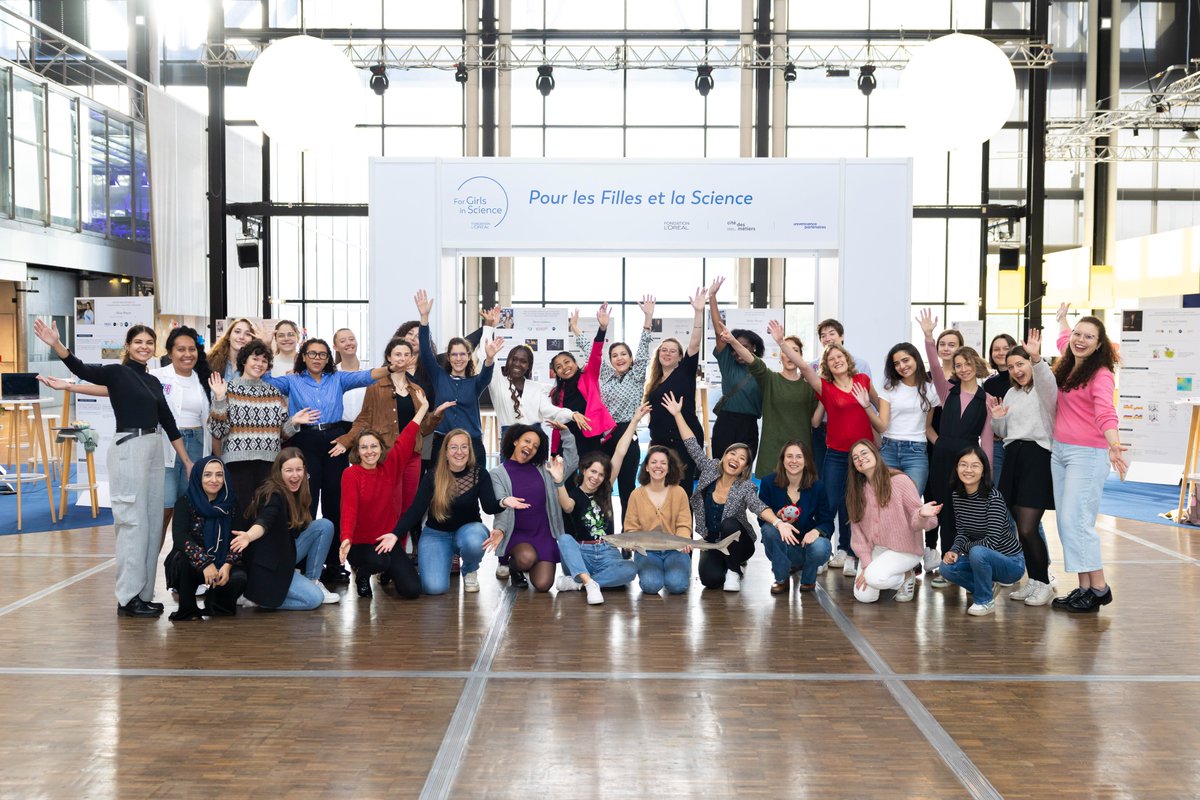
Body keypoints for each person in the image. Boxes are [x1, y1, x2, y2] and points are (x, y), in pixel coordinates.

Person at [33, 319, 193, 618]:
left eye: (148, 342)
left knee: (150, 523)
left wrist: (186, 460)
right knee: (132, 524)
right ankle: (128, 598)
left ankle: (143, 594)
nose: (143, 347)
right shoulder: (117, 373)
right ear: (128, 347)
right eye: (138, 342)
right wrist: (56, 344)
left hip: (153, 449)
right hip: (128, 447)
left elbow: (168, 423)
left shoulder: (153, 381)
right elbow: (81, 368)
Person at [39, 325, 213, 548]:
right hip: (147, 447)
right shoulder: (146, 375)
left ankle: (177, 573)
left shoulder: (187, 380)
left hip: (181, 446)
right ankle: (143, 564)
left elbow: (173, 421)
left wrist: (190, 461)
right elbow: (99, 379)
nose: (187, 354)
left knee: (185, 510)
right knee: (154, 512)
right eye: (181, 349)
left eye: (149, 343)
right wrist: (68, 379)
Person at [263, 337, 395, 584]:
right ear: (303, 356)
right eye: (312, 354)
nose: (317, 358)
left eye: (322, 354)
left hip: (335, 441)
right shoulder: (292, 380)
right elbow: (266, 381)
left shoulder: (338, 379)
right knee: (307, 500)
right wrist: (270, 352)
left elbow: (366, 376)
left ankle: (335, 563)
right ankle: (302, 563)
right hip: (306, 441)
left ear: (328, 358)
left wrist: (391, 368)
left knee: (336, 500)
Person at [663, 391, 800, 592]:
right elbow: (692, 444)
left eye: (742, 458)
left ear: (745, 467)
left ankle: (734, 569)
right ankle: (725, 567)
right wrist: (677, 414)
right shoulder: (710, 469)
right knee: (711, 580)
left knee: (729, 524)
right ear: (725, 457)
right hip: (712, 542)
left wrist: (779, 523)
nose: (735, 459)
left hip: (739, 543)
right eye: (732, 453)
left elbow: (759, 506)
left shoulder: (746, 486)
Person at [773, 322, 877, 577]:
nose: (836, 361)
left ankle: (854, 552)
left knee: (860, 503)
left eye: (840, 357)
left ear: (847, 357)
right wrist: (780, 343)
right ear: (827, 366)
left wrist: (881, 437)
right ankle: (824, 550)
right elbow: (805, 367)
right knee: (830, 503)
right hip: (838, 455)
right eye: (831, 360)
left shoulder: (863, 380)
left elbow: (880, 406)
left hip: (864, 456)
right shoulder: (826, 388)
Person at [1049, 303, 1128, 613]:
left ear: (1099, 345)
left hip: (1088, 453)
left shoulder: (1101, 374)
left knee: (1076, 521)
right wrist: (1063, 320)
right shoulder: (1069, 362)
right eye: (1078, 335)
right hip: (1061, 451)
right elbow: (1063, 337)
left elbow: (1105, 411)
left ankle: (1099, 587)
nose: (1080, 340)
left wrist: (1115, 444)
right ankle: (1085, 587)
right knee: (1068, 523)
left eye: (1088, 337)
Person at [391, 428, 525, 595]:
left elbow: (489, 507)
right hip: (436, 534)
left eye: (464, 447)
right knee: (434, 589)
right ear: (446, 452)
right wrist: (395, 534)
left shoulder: (479, 474)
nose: (459, 452)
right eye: (453, 447)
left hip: (469, 532)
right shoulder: (433, 476)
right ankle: (441, 560)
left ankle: (469, 570)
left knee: (475, 540)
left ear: (470, 450)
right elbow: (416, 510)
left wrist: (504, 501)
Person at [918, 309, 994, 586]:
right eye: (958, 364)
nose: (962, 368)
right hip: (942, 457)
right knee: (943, 509)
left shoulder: (987, 399)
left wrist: (988, 475)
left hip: (968, 460)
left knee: (964, 512)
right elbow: (936, 366)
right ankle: (947, 566)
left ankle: (962, 563)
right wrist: (928, 336)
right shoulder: (945, 390)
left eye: (966, 363)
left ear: (975, 364)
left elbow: (986, 440)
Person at [207, 339, 315, 527]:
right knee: (239, 517)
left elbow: (281, 434)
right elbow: (218, 430)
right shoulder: (227, 389)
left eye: (264, 361)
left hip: (269, 465)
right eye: (255, 359)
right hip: (236, 465)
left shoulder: (274, 393)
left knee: (265, 516)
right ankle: (237, 556)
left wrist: (294, 423)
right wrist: (219, 399)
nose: (259, 364)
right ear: (244, 361)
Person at [335, 337, 444, 524]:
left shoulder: (417, 390)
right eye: (397, 354)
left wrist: (435, 415)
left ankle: (399, 550)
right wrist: (346, 440)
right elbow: (364, 420)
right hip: (387, 455)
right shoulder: (375, 387)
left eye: (406, 355)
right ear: (389, 357)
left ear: (411, 358)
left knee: (408, 508)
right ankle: (385, 550)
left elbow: (422, 429)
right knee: (387, 506)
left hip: (412, 456)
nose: (402, 359)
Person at [987, 329, 1058, 607]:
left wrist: (1038, 357)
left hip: (1037, 457)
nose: (1016, 370)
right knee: (1020, 526)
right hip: (1013, 456)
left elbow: (1047, 382)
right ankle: (1035, 581)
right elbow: (1003, 432)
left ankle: (1044, 583)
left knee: (1028, 528)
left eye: (1021, 363)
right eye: (1011, 366)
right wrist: (997, 419)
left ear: (1031, 364)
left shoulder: (1043, 389)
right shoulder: (1011, 394)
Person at [550, 407, 648, 605]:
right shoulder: (574, 494)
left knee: (631, 569)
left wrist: (635, 420)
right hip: (581, 553)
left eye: (601, 474)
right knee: (565, 539)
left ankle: (583, 583)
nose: (596, 478)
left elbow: (620, 451)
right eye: (593, 472)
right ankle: (590, 581)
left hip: (606, 552)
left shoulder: (605, 489)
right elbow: (567, 507)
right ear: (584, 470)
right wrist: (559, 482)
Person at [337, 404, 428, 600]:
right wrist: (346, 538)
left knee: (412, 590)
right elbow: (349, 509)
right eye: (364, 447)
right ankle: (362, 575)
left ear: (381, 448)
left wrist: (423, 409)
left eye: (373, 446)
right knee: (379, 561)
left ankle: (388, 569)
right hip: (360, 545)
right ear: (357, 451)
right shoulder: (351, 474)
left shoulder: (389, 467)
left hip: (385, 541)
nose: (369, 451)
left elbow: (406, 437)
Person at [580, 294, 656, 528]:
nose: (619, 358)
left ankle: (627, 536)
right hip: (604, 435)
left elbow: (644, 349)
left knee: (626, 489)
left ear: (631, 359)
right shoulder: (604, 375)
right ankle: (605, 534)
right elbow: (591, 351)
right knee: (603, 488)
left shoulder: (636, 376)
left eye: (624, 354)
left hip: (628, 432)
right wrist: (581, 330)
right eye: (615, 355)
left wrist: (648, 318)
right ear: (610, 360)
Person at [230, 448, 340, 609]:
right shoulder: (273, 494)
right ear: (279, 472)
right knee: (314, 599)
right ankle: (257, 598)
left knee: (324, 526)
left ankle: (313, 580)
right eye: (289, 470)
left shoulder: (298, 493)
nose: (295, 475)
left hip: (283, 555)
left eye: (298, 470)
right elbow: (264, 521)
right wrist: (248, 536)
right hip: (267, 565)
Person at [414, 289, 504, 467]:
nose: (458, 358)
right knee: (441, 489)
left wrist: (489, 358)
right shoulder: (439, 376)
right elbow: (425, 352)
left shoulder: (475, 382)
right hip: (442, 443)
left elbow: (486, 375)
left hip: (472, 443)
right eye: (454, 354)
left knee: (474, 486)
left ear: (469, 356)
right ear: (448, 357)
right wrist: (424, 318)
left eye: (463, 354)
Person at [845, 439, 941, 603]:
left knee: (873, 577)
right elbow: (858, 534)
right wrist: (867, 564)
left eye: (864, 453)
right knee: (863, 596)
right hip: (876, 549)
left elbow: (921, 520)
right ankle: (896, 578)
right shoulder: (856, 492)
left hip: (904, 549)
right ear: (854, 465)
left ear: (876, 454)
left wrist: (922, 514)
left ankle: (906, 575)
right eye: (855, 458)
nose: (860, 459)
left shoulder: (900, 481)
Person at [719, 328, 819, 479]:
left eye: (795, 351)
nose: (790, 356)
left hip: (800, 453)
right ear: (780, 356)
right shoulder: (770, 379)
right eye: (786, 351)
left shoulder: (810, 386)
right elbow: (752, 360)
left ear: (801, 356)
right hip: (772, 451)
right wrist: (732, 341)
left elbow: (815, 422)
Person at [490, 423, 578, 592]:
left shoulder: (545, 469)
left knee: (543, 585)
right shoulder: (498, 473)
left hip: (543, 533)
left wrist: (566, 433)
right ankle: (515, 567)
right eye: (527, 441)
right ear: (515, 441)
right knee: (526, 558)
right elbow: (501, 504)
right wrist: (500, 529)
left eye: (535, 446)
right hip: (517, 534)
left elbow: (572, 462)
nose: (530, 447)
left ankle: (531, 564)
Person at [939, 445, 1025, 616]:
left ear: (984, 470)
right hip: (980, 556)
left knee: (978, 551)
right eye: (963, 464)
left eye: (975, 465)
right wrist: (954, 550)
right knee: (946, 567)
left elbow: (991, 542)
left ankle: (985, 600)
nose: (968, 470)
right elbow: (962, 531)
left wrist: (963, 549)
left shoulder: (994, 498)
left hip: (1011, 563)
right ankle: (987, 587)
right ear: (956, 468)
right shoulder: (957, 495)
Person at [165, 456, 247, 620]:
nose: (214, 480)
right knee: (181, 561)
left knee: (240, 576)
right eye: (207, 475)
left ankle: (216, 605)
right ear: (198, 477)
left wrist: (227, 565)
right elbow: (181, 538)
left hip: (221, 562)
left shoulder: (232, 503)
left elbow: (238, 538)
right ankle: (188, 610)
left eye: (219, 475)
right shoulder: (185, 502)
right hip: (194, 564)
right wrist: (205, 563)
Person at [644, 287, 707, 490]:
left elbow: (695, 343)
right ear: (658, 354)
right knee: (660, 488)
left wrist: (698, 312)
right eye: (664, 350)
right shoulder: (654, 380)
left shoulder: (685, 372)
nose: (667, 353)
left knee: (682, 487)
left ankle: (684, 523)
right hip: (660, 442)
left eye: (673, 351)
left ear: (680, 357)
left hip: (684, 440)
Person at [758, 441, 835, 594]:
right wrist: (777, 518)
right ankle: (781, 578)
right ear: (782, 460)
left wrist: (817, 531)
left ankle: (808, 579)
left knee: (821, 546)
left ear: (806, 461)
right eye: (789, 456)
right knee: (769, 530)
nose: (794, 461)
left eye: (799, 457)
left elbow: (827, 521)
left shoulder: (817, 486)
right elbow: (761, 518)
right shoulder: (768, 482)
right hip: (780, 547)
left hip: (805, 547)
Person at [623, 445, 693, 595]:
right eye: (654, 462)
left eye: (663, 463)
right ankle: (660, 571)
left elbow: (684, 523)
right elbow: (631, 527)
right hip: (647, 551)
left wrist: (684, 540)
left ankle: (678, 569)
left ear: (669, 468)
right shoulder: (636, 495)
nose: (658, 466)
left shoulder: (679, 492)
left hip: (675, 550)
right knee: (651, 585)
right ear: (647, 467)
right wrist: (631, 543)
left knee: (677, 585)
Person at [707, 276, 764, 461]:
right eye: (735, 346)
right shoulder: (727, 362)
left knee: (743, 469)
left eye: (744, 346)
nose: (739, 351)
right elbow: (718, 330)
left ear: (753, 347)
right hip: (726, 421)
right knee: (720, 467)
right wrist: (712, 297)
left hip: (749, 424)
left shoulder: (761, 370)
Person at [809, 317, 872, 477]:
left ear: (842, 336)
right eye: (823, 335)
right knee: (825, 476)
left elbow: (869, 399)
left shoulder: (860, 364)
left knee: (858, 479)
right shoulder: (814, 366)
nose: (828, 338)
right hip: (823, 428)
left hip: (853, 431)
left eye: (832, 333)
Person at [876, 342, 940, 494]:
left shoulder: (930, 389)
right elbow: (882, 425)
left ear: (916, 359)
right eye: (896, 363)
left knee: (912, 503)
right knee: (886, 502)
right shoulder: (889, 388)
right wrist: (866, 406)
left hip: (916, 452)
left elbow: (928, 427)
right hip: (888, 450)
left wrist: (943, 446)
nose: (902, 366)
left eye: (905, 360)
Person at [554, 304, 617, 456]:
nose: (564, 367)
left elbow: (596, 354)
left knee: (591, 476)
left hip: (591, 439)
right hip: (568, 441)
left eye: (567, 362)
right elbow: (557, 424)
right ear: (556, 372)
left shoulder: (589, 375)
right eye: (559, 366)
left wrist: (602, 329)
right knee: (566, 480)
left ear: (575, 363)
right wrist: (554, 451)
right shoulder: (556, 393)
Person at [489, 343, 583, 435]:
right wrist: (488, 329)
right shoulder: (498, 382)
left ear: (529, 365)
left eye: (523, 361)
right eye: (514, 359)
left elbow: (549, 410)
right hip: (509, 441)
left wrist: (572, 415)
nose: (517, 364)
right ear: (508, 360)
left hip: (535, 441)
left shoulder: (538, 388)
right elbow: (485, 355)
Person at [983, 333, 1018, 473]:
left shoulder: (1022, 378)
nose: (1001, 352)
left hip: (1018, 441)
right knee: (997, 486)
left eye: (1006, 348)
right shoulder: (989, 384)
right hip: (997, 443)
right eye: (996, 349)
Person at [333, 327, 369, 425]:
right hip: (339, 427)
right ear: (335, 347)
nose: (349, 343)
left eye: (352, 339)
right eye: (343, 341)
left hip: (367, 427)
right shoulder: (332, 375)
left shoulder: (370, 371)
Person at [207, 318, 257, 383]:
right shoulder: (210, 360)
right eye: (237, 332)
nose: (241, 337)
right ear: (228, 336)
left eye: (247, 334)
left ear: (252, 340)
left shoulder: (255, 366)